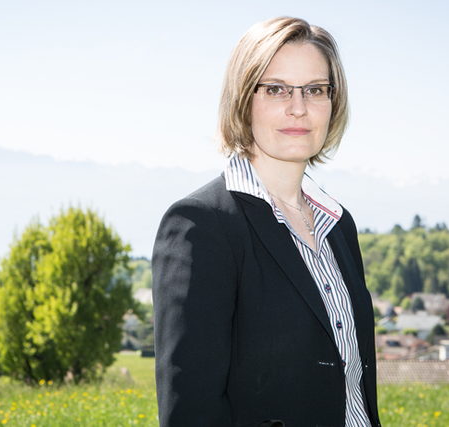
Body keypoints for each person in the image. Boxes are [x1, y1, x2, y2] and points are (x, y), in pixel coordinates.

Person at [152, 17, 381, 427]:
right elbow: (190, 413)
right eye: (276, 89)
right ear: (243, 99)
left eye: (315, 90)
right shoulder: (201, 226)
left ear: (334, 101)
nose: (299, 107)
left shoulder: (338, 225)